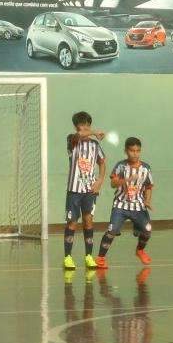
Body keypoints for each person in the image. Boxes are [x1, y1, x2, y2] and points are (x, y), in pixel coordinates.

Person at [96, 137, 154, 269]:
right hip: (120, 206)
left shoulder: (146, 168)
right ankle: (100, 258)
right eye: (132, 150)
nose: (135, 153)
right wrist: (126, 179)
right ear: (126, 151)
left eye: (138, 151)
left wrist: (147, 200)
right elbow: (113, 183)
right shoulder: (121, 166)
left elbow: (149, 186)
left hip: (139, 206)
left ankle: (140, 250)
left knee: (148, 230)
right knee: (112, 230)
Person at [64, 111, 106, 271]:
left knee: (88, 221)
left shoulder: (95, 146)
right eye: (83, 126)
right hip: (74, 190)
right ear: (76, 127)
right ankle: (68, 257)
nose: (86, 128)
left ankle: (88, 256)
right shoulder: (72, 140)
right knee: (72, 222)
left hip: (90, 191)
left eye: (89, 125)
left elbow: (102, 162)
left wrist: (100, 180)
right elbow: (80, 135)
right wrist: (95, 132)